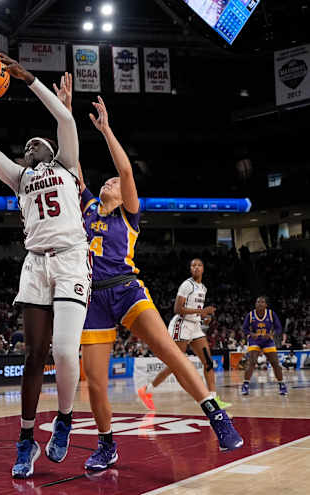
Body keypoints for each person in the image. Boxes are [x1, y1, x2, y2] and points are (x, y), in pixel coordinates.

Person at [51, 73, 243, 472]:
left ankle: (215, 414)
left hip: (125, 288)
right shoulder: (85, 206)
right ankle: (107, 445)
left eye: (114, 183)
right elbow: (73, 162)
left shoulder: (129, 214)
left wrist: (106, 130)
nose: (109, 182)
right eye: (105, 181)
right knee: (97, 383)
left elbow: (125, 173)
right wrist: (66, 113)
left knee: (170, 351)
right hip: (91, 296)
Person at [0, 54, 91, 479]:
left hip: (72, 259)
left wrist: (29, 79)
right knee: (34, 356)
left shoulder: (68, 166)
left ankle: (65, 420)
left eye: (35, 143)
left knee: (62, 349)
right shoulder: (20, 179)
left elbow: (66, 122)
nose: (28, 148)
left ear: (53, 151)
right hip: (36, 265)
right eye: (25, 148)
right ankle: (25, 439)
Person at [138, 259, 231, 409]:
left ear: (203, 269)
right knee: (175, 364)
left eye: (199, 265)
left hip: (195, 326)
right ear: (190, 269)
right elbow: (177, 308)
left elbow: (198, 311)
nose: (196, 268)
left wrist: (204, 318)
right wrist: (201, 311)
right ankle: (146, 390)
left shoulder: (203, 288)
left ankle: (214, 399)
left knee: (208, 361)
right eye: (193, 266)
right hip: (181, 325)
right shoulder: (187, 285)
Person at [241, 296, 287, 396]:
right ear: (255, 304)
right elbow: (244, 329)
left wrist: (272, 334)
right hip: (255, 340)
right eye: (258, 302)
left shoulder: (271, 314)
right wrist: (251, 334)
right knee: (251, 361)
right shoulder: (250, 314)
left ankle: (282, 384)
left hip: (267, 341)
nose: (260, 304)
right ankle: (245, 385)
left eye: (262, 302)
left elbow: (279, 328)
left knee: (275, 363)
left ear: (266, 305)